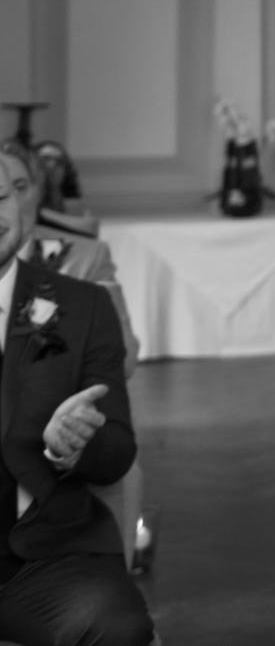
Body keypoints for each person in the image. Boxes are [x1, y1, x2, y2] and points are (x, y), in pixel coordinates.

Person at [0, 151, 154, 645]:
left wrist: (73, 445)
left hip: (42, 561)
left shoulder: (80, 306)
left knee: (116, 625)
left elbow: (117, 452)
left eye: (0, 197)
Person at [0, 139, 142, 376]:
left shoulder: (86, 258)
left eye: (20, 187)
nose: (12, 203)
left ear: (39, 192)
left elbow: (122, 358)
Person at [31, 141, 99, 240]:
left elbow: (89, 228)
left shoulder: (75, 206)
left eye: (59, 161)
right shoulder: (26, 200)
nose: (52, 165)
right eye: (45, 159)